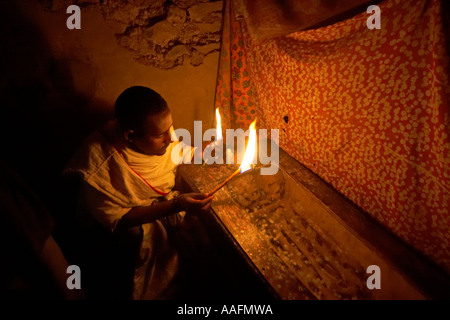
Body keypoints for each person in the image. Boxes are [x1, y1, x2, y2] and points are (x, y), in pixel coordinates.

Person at [64, 86, 213, 300]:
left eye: (170, 128)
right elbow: (119, 219)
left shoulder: (157, 140)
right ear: (130, 136)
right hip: (116, 236)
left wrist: (202, 152)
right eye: (161, 134)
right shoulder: (100, 161)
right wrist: (176, 205)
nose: (170, 138)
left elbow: (174, 151)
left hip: (164, 208)